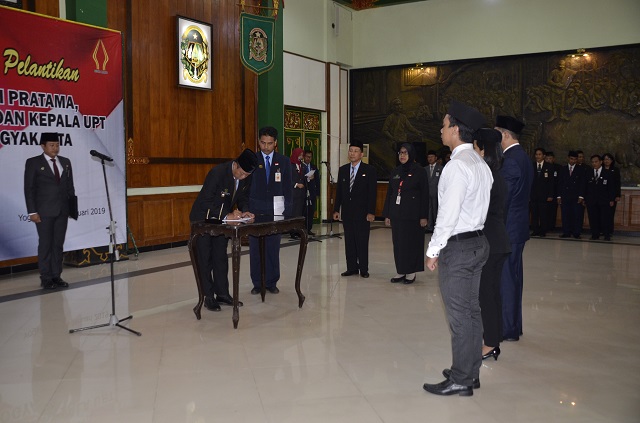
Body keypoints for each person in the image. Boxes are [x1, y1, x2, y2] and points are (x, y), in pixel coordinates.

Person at [423, 101, 492, 397]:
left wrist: (433, 248)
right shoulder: (479, 162)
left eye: (443, 124)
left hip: (460, 248)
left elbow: (447, 215)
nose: (440, 129)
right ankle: (470, 370)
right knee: (472, 311)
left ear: (454, 129)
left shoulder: (456, 166)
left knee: (460, 315)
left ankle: (462, 378)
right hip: (478, 241)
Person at [189, 149, 258, 311]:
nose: (243, 177)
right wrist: (227, 216)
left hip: (222, 220)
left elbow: (242, 197)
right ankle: (208, 296)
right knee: (205, 258)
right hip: (203, 219)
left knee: (220, 257)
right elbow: (206, 202)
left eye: (247, 175)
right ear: (236, 164)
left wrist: (245, 210)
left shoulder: (246, 176)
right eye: (241, 174)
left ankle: (222, 294)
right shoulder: (217, 173)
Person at [473, 128, 511, 361]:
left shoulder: (486, 175)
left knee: (485, 295)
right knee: (492, 294)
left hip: (490, 242)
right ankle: (493, 339)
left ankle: (489, 344)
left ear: (483, 149)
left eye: (475, 148)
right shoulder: (497, 173)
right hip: (499, 241)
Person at [495, 115, 533, 342]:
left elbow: (503, 199)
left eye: (496, 132)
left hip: (508, 228)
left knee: (506, 279)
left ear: (506, 135)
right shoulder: (522, 157)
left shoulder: (510, 159)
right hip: (516, 228)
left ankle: (507, 329)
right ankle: (513, 325)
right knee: (513, 277)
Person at [24, 132, 76, 290]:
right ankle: (46, 277)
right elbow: (29, 189)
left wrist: (71, 208)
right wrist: (32, 212)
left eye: (57, 145)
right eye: (52, 145)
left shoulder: (65, 162)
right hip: (44, 212)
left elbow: (69, 187)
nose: (55, 148)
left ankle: (56, 275)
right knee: (46, 245)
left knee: (58, 245)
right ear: (43, 146)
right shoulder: (33, 162)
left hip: (62, 211)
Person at [248, 126, 293, 294]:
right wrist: (246, 209)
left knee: (273, 247)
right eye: (263, 143)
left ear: (275, 143)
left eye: (269, 143)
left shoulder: (284, 161)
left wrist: (287, 212)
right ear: (259, 142)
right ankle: (257, 283)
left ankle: (272, 282)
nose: (266, 147)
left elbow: (288, 188)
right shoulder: (253, 159)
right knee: (255, 248)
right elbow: (245, 188)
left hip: (276, 212)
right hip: (255, 211)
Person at [383, 143, 429, 284]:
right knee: (398, 243)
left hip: (413, 216)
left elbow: (425, 195)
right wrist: (387, 214)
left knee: (411, 243)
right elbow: (390, 193)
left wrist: (423, 216)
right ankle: (401, 270)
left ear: (411, 155)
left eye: (405, 153)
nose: (402, 155)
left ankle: (411, 272)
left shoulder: (419, 171)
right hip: (397, 215)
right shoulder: (396, 171)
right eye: (400, 153)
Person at [333, 140, 377, 278]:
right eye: (350, 150)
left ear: (361, 154)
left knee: (362, 240)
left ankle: (363, 268)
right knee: (349, 240)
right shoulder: (343, 169)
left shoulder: (369, 170)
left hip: (363, 213)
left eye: (355, 151)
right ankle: (351, 267)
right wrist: (336, 210)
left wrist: (371, 212)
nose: (352, 153)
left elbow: (372, 193)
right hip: (347, 212)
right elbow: (339, 191)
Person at [584, 155, 616, 241]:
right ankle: (595, 234)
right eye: (593, 162)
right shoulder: (589, 173)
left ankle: (606, 234)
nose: (594, 164)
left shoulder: (608, 173)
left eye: (596, 161)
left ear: (600, 162)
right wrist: (585, 198)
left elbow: (611, 187)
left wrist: (612, 199)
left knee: (605, 218)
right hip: (592, 200)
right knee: (593, 218)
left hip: (604, 200)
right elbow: (585, 187)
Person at [557, 151, 587, 239]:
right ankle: (566, 232)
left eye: (575, 159)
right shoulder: (563, 169)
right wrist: (559, 196)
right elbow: (559, 183)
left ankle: (576, 232)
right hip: (565, 196)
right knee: (565, 215)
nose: (573, 161)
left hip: (576, 196)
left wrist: (581, 196)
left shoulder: (581, 169)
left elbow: (583, 184)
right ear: (568, 158)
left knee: (577, 215)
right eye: (571, 159)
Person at [530, 147, 555, 237]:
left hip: (544, 195)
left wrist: (550, 195)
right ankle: (535, 230)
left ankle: (543, 230)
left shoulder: (549, 166)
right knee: (534, 214)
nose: (537, 156)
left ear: (544, 156)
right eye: (536, 154)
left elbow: (551, 182)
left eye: (539, 154)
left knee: (543, 214)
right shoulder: (531, 165)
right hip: (533, 195)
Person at [602, 152, 621, 236]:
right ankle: (602, 230)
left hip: (612, 196)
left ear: (612, 160)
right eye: (605, 159)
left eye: (608, 159)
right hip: (601, 196)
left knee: (610, 214)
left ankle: (609, 231)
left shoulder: (615, 170)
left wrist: (617, 195)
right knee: (601, 214)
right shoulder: (600, 169)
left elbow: (617, 183)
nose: (606, 161)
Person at [302, 149, 320, 235]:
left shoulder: (314, 167)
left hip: (312, 192)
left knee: (311, 211)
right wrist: (307, 178)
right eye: (307, 157)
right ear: (304, 157)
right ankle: (302, 229)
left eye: (310, 157)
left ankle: (309, 228)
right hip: (303, 192)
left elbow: (317, 181)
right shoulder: (301, 166)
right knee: (304, 211)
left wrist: (317, 193)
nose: (308, 159)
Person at [289, 147, 306, 239]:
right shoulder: (290, 165)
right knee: (293, 213)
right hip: (293, 193)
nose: (301, 156)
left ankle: (298, 230)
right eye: (300, 155)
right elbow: (287, 179)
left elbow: (303, 177)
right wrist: (296, 184)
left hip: (301, 194)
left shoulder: (302, 165)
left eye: (302, 155)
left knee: (299, 213)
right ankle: (292, 231)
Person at [424, 150, 443, 233]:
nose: (430, 158)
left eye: (432, 157)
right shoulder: (425, 169)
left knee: (436, 210)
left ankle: (437, 227)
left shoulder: (441, 168)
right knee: (428, 210)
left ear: (435, 158)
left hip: (437, 193)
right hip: (427, 193)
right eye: (428, 157)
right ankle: (429, 227)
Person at [544, 151, 562, 232]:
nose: (548, 160)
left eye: (550, 158)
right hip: (544, 193)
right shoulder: (543, 167)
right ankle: (545, 227)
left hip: (555, 193)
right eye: (547, 158)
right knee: (545, 211)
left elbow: (559, 182)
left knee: (553, 212)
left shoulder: (558, 167)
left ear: (553, 159)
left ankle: (551, 227)